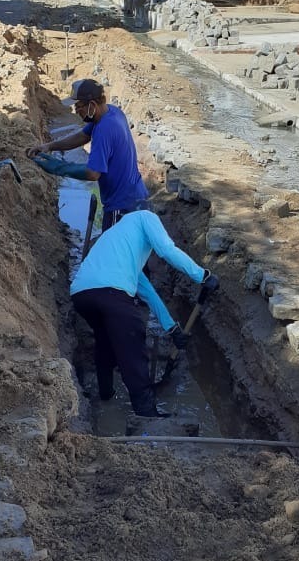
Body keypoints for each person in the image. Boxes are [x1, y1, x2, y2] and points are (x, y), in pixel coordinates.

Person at [70, 210, 219, 417]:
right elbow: (167, 250)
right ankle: (146, 412)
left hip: (81, 295)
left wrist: (172, 328)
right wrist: (203, 275)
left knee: (105, 341)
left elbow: (148, 292)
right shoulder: (145, 217)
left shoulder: (119, 243)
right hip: (111, 292)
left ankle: (105, 394)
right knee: (132, 345)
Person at [28, 78, 150, 229]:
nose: (76, 111)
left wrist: (58, 168)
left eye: (79, 107)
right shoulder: (111, 112)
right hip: (136, 196)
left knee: (112, 244)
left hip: (122, 208)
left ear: (92, 105)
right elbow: (82, 136)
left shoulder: (104, 130)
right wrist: (49, 146)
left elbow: (93, 173)